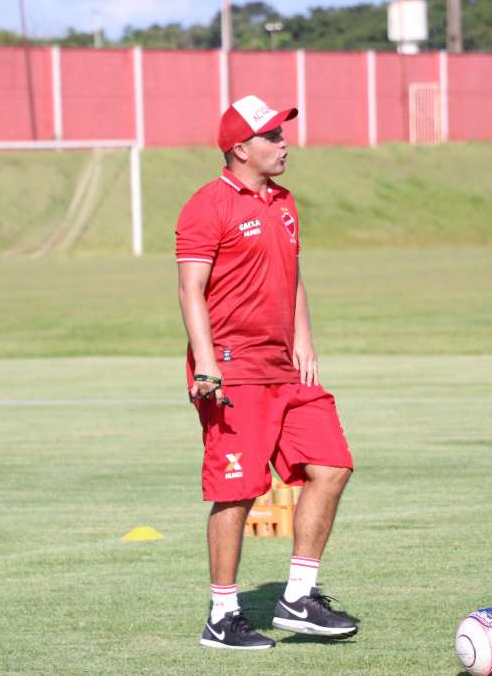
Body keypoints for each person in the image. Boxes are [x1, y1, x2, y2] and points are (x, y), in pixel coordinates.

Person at [175, 95, 357, 650]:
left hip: (287, 369)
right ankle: (222, 616)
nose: (284, 144)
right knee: (238, 493)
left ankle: (298, 598)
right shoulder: (207, 205)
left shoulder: (285, 201)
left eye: (282, 133)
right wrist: (206, 363)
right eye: (272, 136)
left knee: (331, 466)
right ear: (239, 149)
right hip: (233, 371)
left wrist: (304, 336)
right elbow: (191, 289)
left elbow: (292, 273)